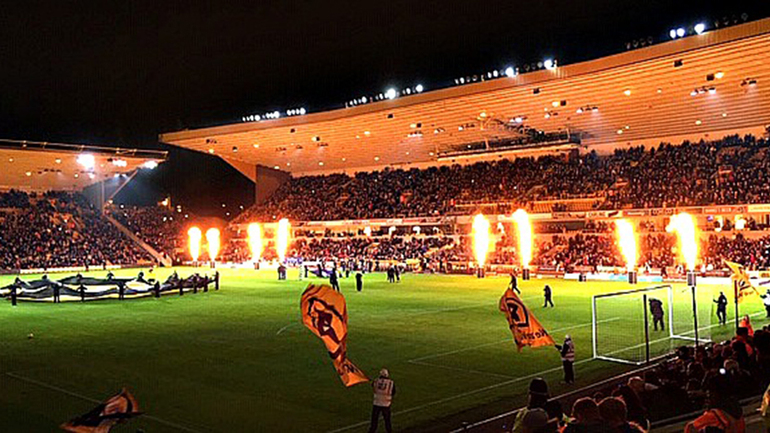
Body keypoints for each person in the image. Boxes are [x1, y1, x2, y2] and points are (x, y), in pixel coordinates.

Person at [369, 368, 395, 433]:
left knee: (374, 420)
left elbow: (373, 385)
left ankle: (372, 431)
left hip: (376, 403)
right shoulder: (390, 383)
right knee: (387, 421)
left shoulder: (376, 381)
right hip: (386, 404)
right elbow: (393, 392)